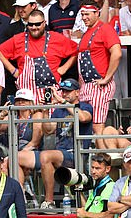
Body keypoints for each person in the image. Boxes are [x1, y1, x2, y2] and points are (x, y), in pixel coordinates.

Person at [0, 10, 78, 104]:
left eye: (37, 24)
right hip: (25, 95)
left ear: (44, 23)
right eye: (30, 24)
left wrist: (63, 69)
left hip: (51, 95)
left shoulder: (57, 38)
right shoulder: (18, 39)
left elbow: (77, 50)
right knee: (26, 118)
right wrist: (13, 71)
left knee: (51, 118)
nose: (34, 27)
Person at [36, 79, 93, 208]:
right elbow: (48, 130)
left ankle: (49, 201)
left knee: (45, 156)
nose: (64, 94)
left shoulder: (85, 106)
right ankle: (48, 202)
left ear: (77, 92)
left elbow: (83, 118)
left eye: (68, 91)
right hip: (61, 153)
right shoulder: (59, 111)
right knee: (42, 157)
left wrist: (63, 102)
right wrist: (45, 111)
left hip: (78, 153)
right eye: (63, 91)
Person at [76, 0, 121, 135]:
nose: (84, 18)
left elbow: (117, 53)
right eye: (82, 14)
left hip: (99, 85)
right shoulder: (86, 33)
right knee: (86, 125)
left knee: (97, 125)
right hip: (86, 86)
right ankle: (93, 155)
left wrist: (107, 78)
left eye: (87, 14)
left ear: (97, 13)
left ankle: (104, 155)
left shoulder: (105, 29)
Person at [0, 89, 44, 186]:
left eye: (24, 100)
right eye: (18, 100)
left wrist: (18, 154)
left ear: (31, 102)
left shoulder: (37, 115)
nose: (21, 102)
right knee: (1, 163)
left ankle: (18, 194)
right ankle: (13, 194)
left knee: (8, 162)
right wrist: (3, 113)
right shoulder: (12, 115)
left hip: (31, 150)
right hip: (12, 151)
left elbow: (35, 142)